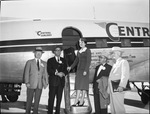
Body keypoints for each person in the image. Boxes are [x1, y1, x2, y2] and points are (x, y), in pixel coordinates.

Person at [24, 47, 48, 114]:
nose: (38, 54)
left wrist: (46, 82)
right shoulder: (29, 62)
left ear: (41, 54)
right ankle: (27, 112)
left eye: (40, 53)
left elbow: (45, 73)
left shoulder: (44, 63)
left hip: (39, 84)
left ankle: (35, 112)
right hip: (31, 83)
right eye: (37, 52)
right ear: (34, 53)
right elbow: (26, 73)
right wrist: (27, 82)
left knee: (37, 100)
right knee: (29, 99)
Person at [67, 38, 91, 106]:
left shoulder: (87, 51)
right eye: (80, 42)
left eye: (82, 42)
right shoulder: (79, 51)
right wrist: (70, 67)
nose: (81, 44)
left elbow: (88, 61)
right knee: (78, 86)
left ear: (85, 43)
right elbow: (76, 61)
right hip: (79, 70)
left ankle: (81, 100)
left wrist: (86, 70)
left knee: (83, 86)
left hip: (84, 70)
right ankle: (76, 100)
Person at [107, 46, 130, 114]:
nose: (112, 55)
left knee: (118, 107)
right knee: (113, 107)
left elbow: (125, 75)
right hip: (112, 89)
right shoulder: (115, 63)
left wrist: (122, 86)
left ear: (118, 53)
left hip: (118, 87)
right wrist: (109, 89)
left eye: (113, 53)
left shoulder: (123, 62)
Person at [47, 46, 68, 114]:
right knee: (51, 98)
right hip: (53, 82)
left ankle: (57, 112)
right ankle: (50, 112)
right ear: (54, 52)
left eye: (59, 50)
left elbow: (66, 69)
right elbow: (49, 70)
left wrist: (63, 73)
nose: (58, 51)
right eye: (57, 50)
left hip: (61, 82)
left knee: (59, 99)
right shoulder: (50, 60)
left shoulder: (64, 60)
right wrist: (56, 73)